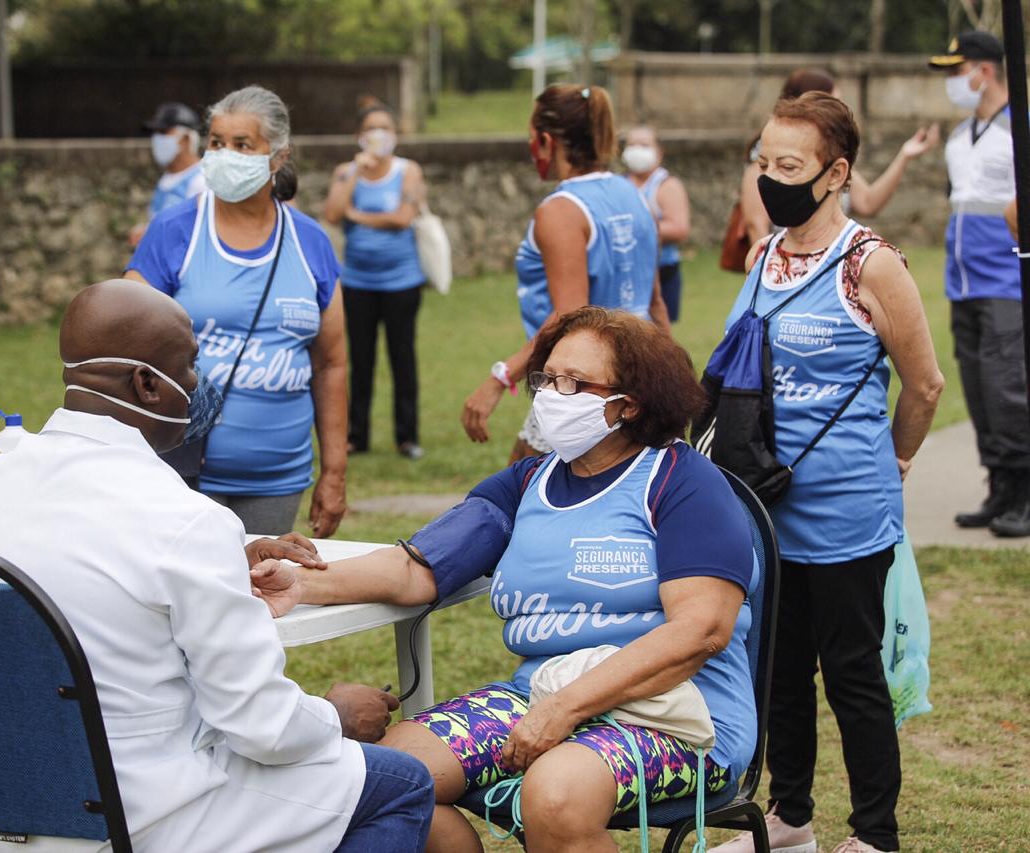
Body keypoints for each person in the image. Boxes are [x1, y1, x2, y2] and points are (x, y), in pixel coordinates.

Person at [0, 278, 433, 853]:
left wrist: (221, 571)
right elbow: (262, 728)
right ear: (148, 384)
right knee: (401, 784)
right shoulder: (184, 518)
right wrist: (335, 716)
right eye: (192, 366)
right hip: (133, 815)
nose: (198, 385)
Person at [266, 306, 757, 853]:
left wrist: (566, 708)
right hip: (538, 694)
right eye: (547, 378)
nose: (551, 393)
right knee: (381, 781)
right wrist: (302, 583)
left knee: (555, 794)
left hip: (681, 716)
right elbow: (414, 567)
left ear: (630, 403)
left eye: (574, 383)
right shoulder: (527, 483)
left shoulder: (684, 483)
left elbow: (701, 631)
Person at [710, 93, 945, 853]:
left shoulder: (870, 263)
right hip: (766, 509)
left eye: (790, 166)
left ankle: (875, 834)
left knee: (852, 677)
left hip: (848, 512)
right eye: (764, 162)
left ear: (836, 172)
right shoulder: (764, 253)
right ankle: (790, 818)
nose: (771, 177)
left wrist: (898, 460)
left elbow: (926, 383)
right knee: (778, 672)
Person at [127, 85, 348, 538]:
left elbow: (331, 363)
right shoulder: (174, 231)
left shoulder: (310, 243)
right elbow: (126, 346)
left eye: (242, 144)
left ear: (278, 157)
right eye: (216, 142)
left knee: (258, 596)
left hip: (277, 479)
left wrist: (335, 473)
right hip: (182, 474)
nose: (225, 154)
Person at [461, 83, 668, 464]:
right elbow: (654, 301)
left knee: (521, 501)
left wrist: (498, 379)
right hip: (637, 378)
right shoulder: (634, 194)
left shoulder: (561, 210)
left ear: (544, 140)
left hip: (583, 385)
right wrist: (668, 382)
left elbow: (568, 317)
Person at [929, 32, 1030, 537]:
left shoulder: (1020, 124)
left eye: (956, 69)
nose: (952, 81)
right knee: (977, 387)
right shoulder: (960, 134)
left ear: (984, 71)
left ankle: (1023, 491)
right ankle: (998, 485)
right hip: (963, 282)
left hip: (1007, 279)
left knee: (1007, 386)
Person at [323, 99, 428, 460]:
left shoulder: (407, 171)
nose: (379, 135)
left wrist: (359, 214)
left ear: (395, 135)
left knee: (403, 359)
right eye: (371, 129)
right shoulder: (345, 172)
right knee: (359, 361)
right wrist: (355, 173)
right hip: (357, 282)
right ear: (359, 136)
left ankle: (407, 436)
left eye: (386, 128)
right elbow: (333, 213)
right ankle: (357, 435)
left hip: (402, 281)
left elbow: (402, 218)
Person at [738, 68, 940, 246]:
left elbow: (868, 203)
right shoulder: (763, 166)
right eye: (832, 102)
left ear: (836, 174)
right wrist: (767, 270)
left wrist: (904, 156)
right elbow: (756, 225)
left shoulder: (828, 163)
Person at [623, 126, 691, 322]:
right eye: (632, 145)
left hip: (661, 271)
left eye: (644, 145)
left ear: (659, 152)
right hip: (627, 271)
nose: (637, 150)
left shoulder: (666, 185)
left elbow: (679, 228)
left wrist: (632, 229)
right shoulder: (620, 183)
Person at [128, 102, 208, 248]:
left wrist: (154, 233)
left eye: (164, 132)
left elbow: (200, 232)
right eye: (155, 133)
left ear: (185, 140)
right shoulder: (167, 178)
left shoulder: (201, 180)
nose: (157, 139)